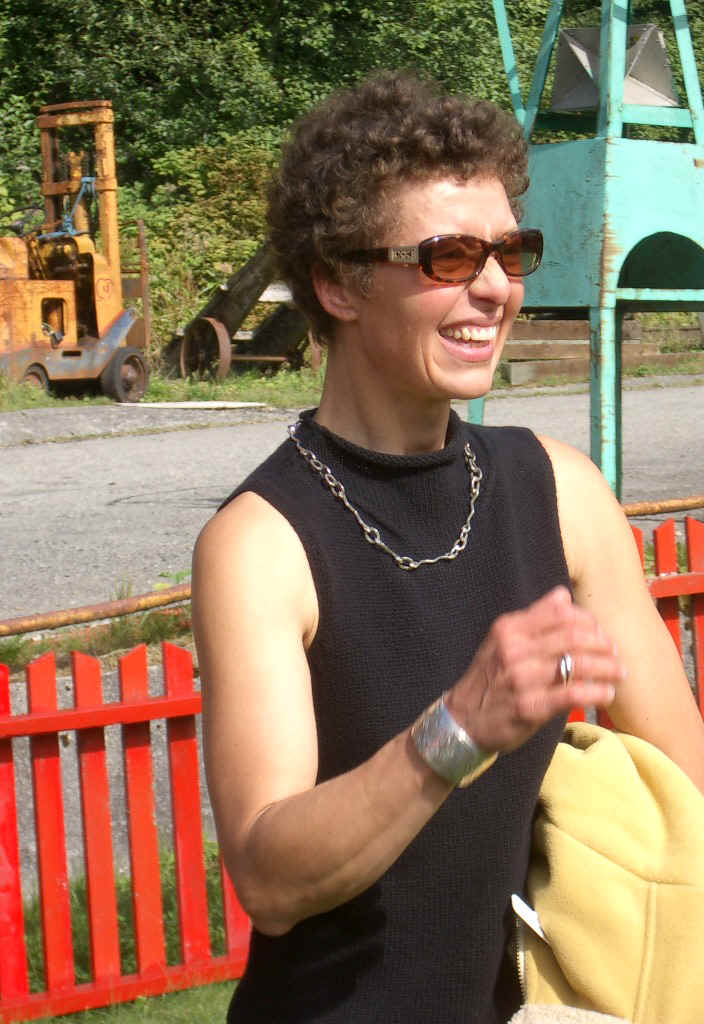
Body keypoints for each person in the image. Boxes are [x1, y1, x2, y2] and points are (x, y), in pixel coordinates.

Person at [192, 72, 704, 1023]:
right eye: (449, 257)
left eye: (511, 251)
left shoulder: (563, 493)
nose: (497, 287)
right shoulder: (259, 543)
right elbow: (268, 876)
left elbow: (687, 783)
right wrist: (457, 730)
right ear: (337, 283)